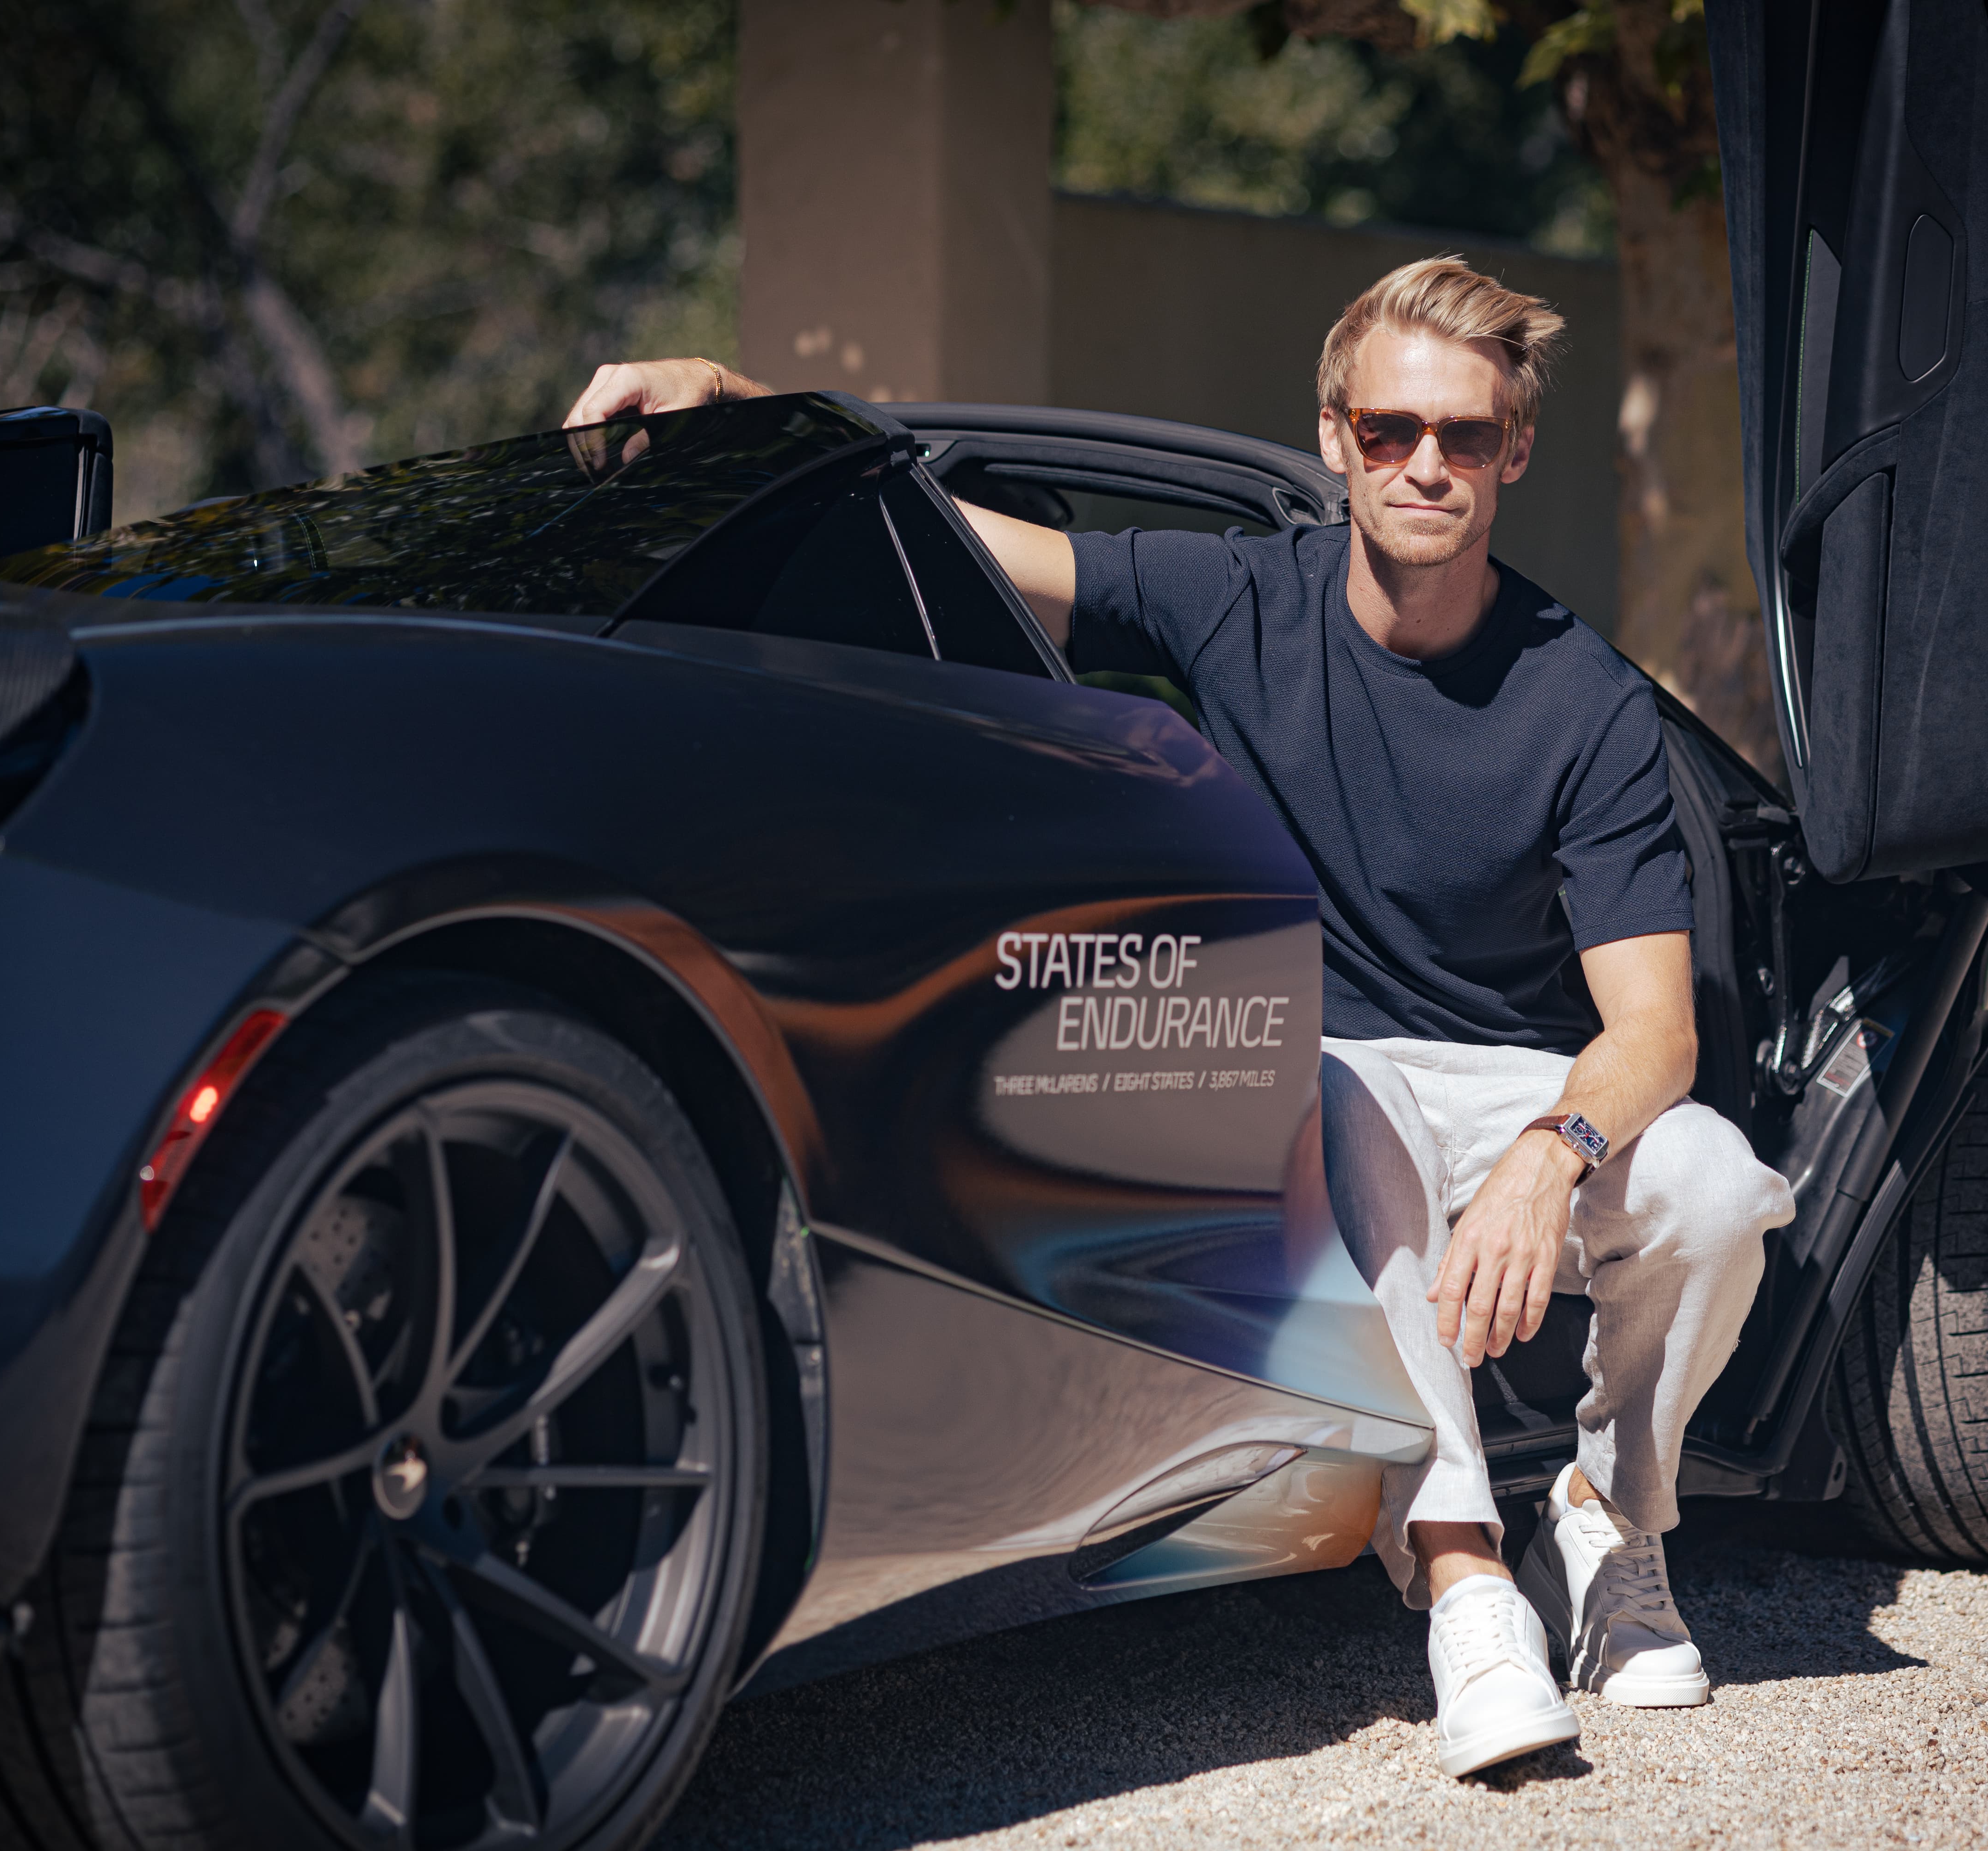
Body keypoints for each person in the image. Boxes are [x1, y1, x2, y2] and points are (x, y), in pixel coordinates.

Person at [565, 257, 1794, 1780]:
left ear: (1514, 453)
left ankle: (1610, 1524)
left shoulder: (1584, 702)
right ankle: (1466, 1577)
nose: (1429, 464)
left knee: (1721, 1186)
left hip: (1507, 1077)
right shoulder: (1237, 597)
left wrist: (1550, 1154)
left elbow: (1652, 1032)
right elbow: (956, 538)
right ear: (1336, 438)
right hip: (1316, 1073)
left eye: (1465, 436)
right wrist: (740, 406)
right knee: (1346, 1106)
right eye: (1395, 428)